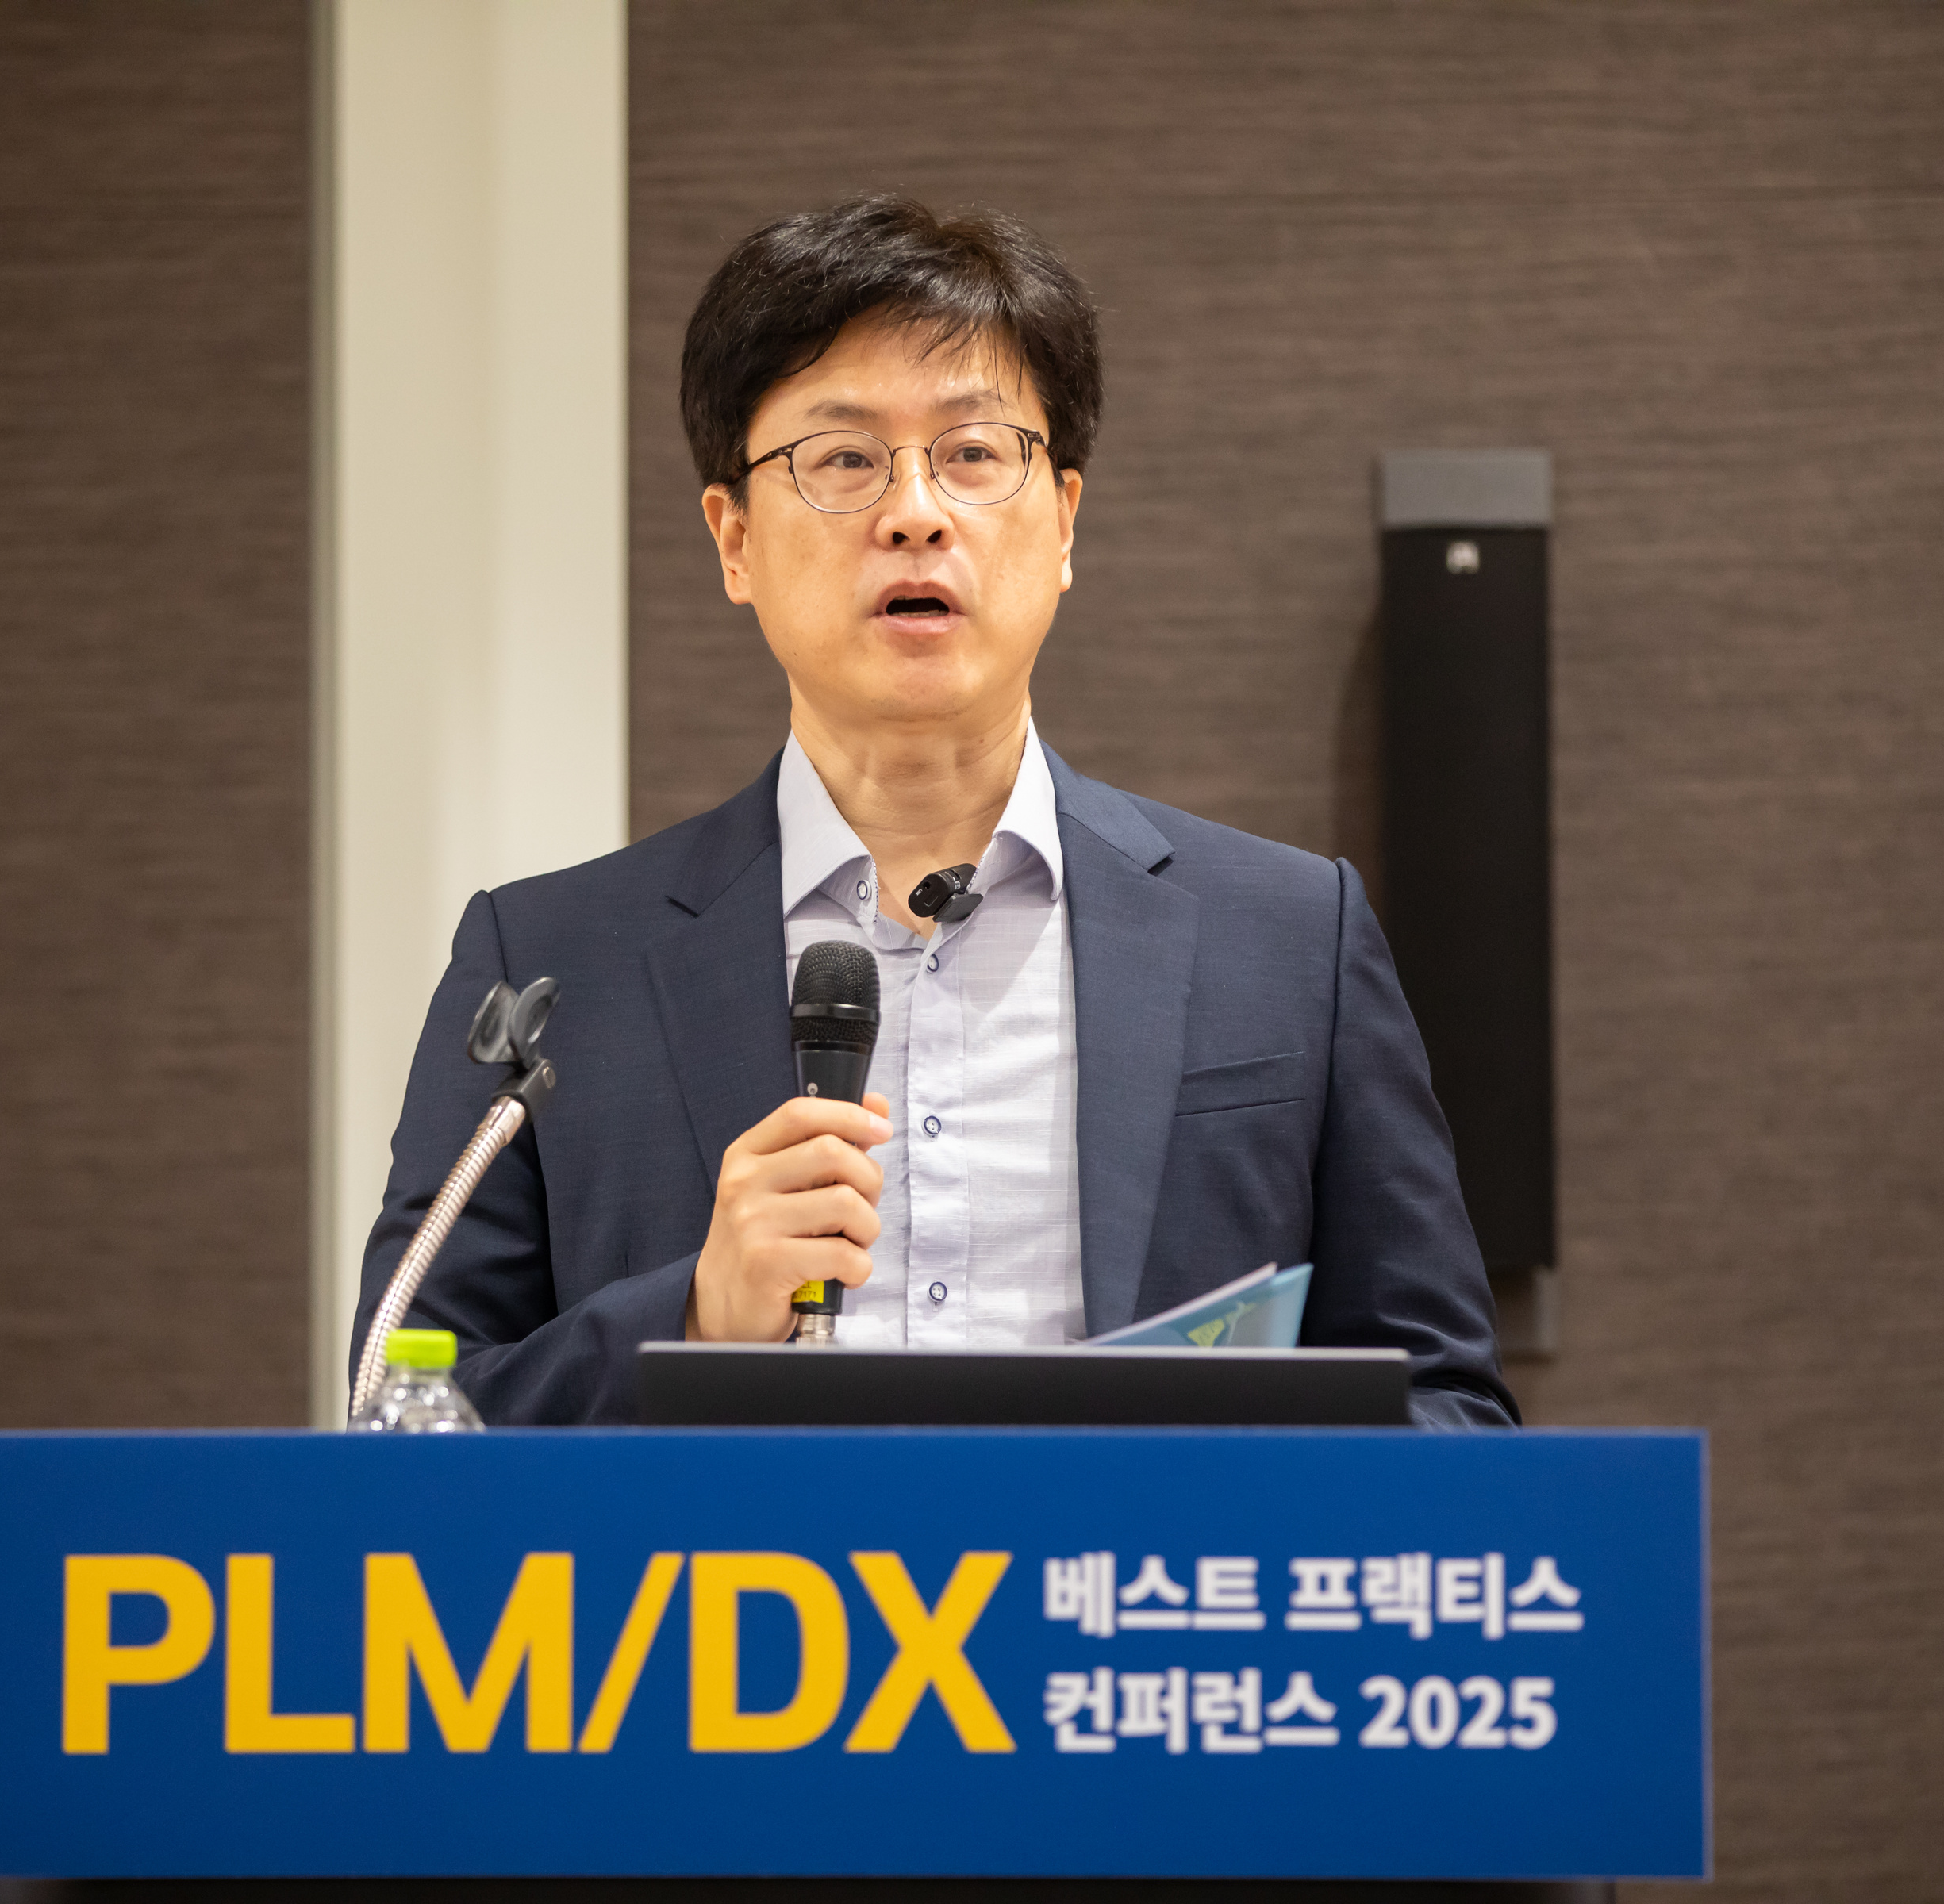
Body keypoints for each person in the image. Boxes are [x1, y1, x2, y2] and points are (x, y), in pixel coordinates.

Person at [355, 194, 1515, 1429]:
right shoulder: (549, 971)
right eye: (844, 459)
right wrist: (692, 1317)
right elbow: (399, 1417)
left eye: (973, 453)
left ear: (1064, 520)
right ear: (734, 540)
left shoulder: (1286, 940)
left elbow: (1446, 1410)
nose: (915, 511)